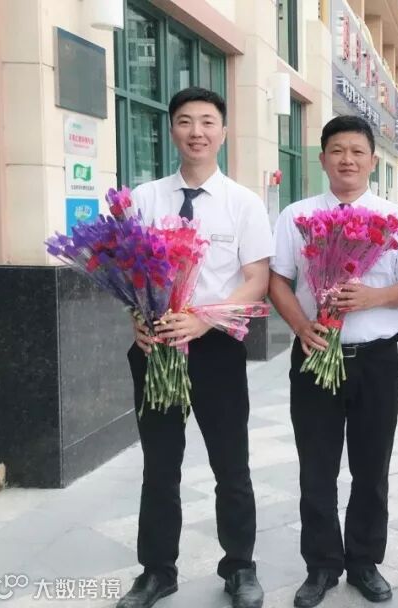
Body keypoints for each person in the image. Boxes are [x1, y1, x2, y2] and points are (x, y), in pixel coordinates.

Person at [268, 115, 398, 606]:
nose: (347, 160)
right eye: (337, 151)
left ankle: (364, 562)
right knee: (316, 467)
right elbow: (278, 281)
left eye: (357, 151)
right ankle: (321, 566)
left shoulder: (395, 218)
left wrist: (373, 297)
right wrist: (302, 327)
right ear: (322, 159)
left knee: (371, 466)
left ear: (372, 160)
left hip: (375, 361)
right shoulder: (296, 217)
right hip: (315, 353)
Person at [118, 87, 272, 608]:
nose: (197, 132)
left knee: (231, 465)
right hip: (156, 346)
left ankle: (240, 566)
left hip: (216, 349)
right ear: (172, 130)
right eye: (185, 121)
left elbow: (256, 279)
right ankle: (157, 571)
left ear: (223, 132)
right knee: (160, 466)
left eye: (208, 121)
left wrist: (204, 320)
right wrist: (137, 319)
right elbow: (128, 273)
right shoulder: (144, 199)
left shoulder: (243, 203)